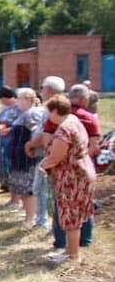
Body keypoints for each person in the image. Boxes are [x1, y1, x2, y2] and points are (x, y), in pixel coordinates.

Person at [38, 95, 96, 263]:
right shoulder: (75, 120)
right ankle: (70, 252)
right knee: (74, 215)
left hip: (71, 177)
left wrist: (42, 166)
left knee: (71, 215)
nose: (49, 117)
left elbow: (56, 156)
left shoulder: (64, 128)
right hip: (82, 172)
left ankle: (72, 255)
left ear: (56, 111)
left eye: (49, 113)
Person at [24, 77, 65, 231]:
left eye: (43, 87)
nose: (41, 90)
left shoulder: (53, 108)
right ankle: (46, 221)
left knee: (43, 188)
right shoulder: (56, 106)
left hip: (48, 154)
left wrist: (30, 145)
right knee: (42, 188)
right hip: (47, 152)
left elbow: (45, 133)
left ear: (50, 89)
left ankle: (46, 222)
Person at [6, 88, 47, 229]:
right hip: (21, 157)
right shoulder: (25, 113)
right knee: (23, 187)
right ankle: (28, 215)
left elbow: (37, 133)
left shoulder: (33, 112)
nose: (17, 102)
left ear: (28, 99)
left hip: (28, 158)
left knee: (29, 188)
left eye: (19, 99)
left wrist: (30, 147)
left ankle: (31, 219)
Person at [0, 87, 19, 205]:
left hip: (12, 143)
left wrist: (8, 129)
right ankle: (12, 196)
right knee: (7, 171)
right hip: (3, 143)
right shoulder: (5, 109)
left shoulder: (18, 109)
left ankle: (16, 199)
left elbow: (19, 124)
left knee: (13, 171)